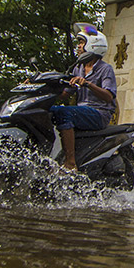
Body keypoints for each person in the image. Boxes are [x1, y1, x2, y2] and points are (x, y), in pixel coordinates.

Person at [50, 22, 117, 173]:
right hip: (82, 112)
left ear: (93, 45)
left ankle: (70, 163)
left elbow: (108, 96)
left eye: (81, 42)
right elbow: (65, 93)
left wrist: (88, 84)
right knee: (49, 110)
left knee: (64, 112)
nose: (78, 46)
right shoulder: (77, 68)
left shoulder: (105, 69)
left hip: (99, 114)